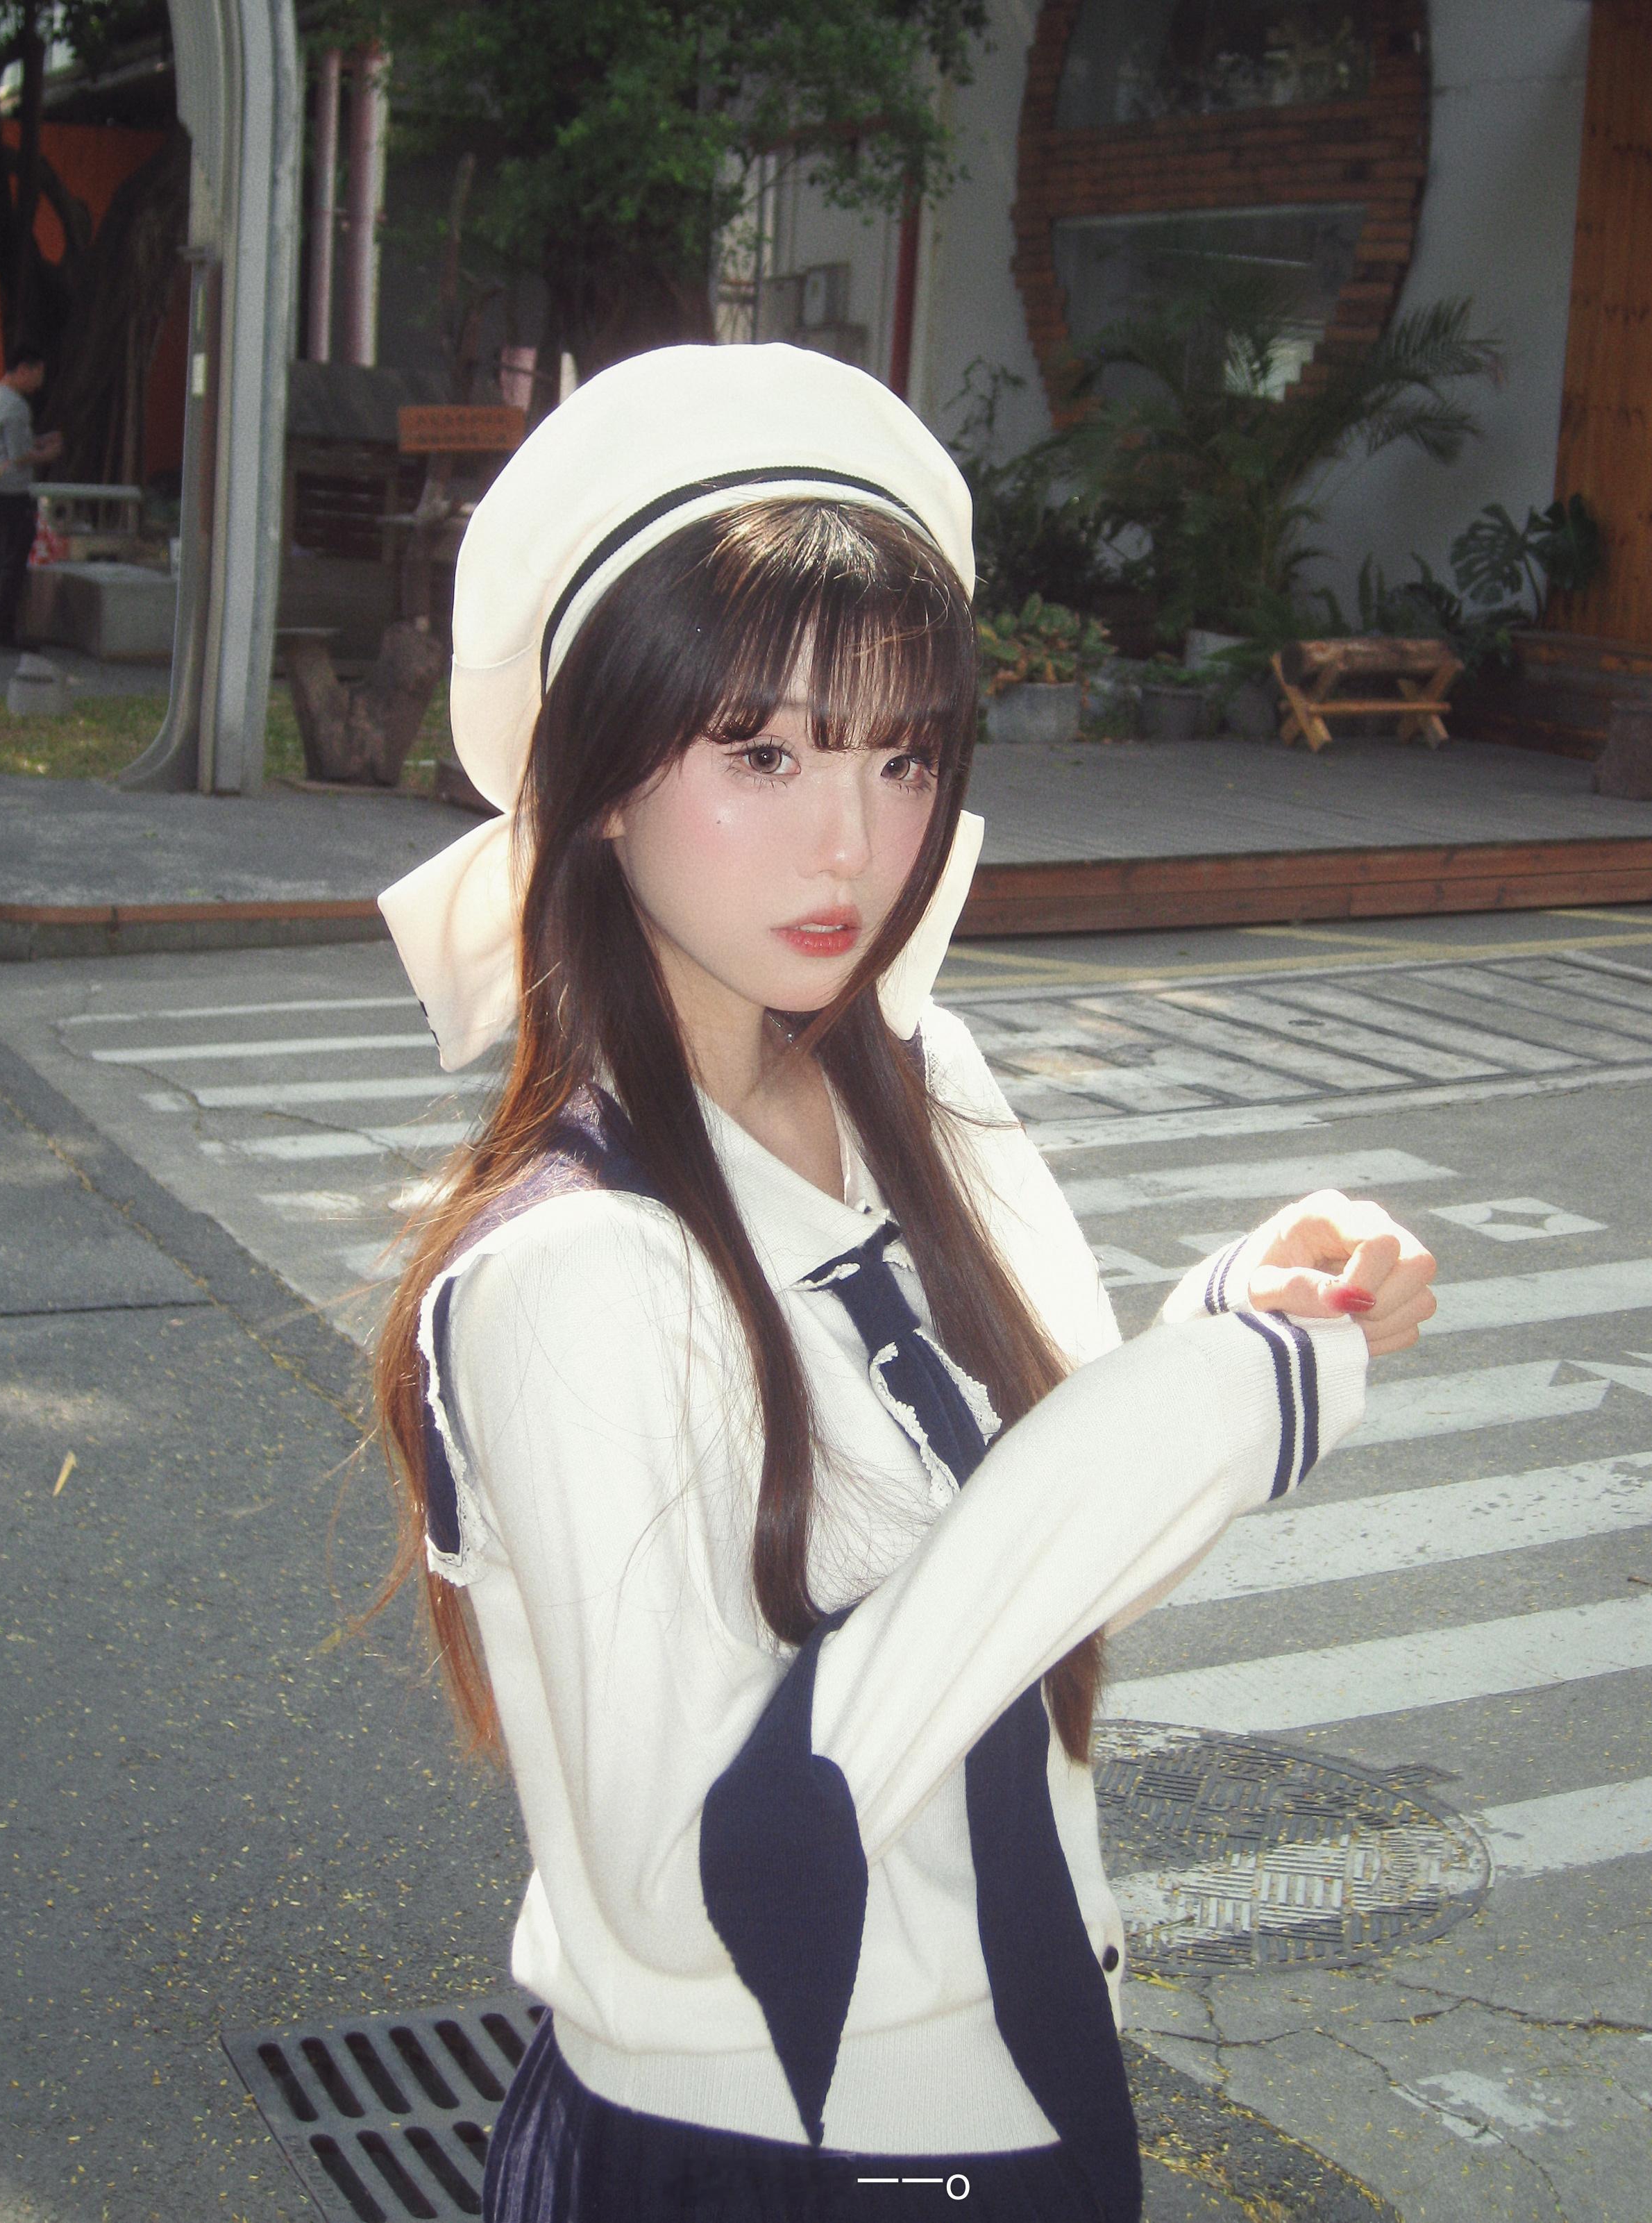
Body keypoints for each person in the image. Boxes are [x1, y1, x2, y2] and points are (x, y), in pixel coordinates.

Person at [369, 344, 1437, 2222]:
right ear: (598, 780)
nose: (853, 843)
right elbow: (705, 1881)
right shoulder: (573, 1271)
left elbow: (1040, 1569)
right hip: (771, 2155)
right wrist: (1198, 1412)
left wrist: (1232, 1331)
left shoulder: (921, 1080)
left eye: (902, 754)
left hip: (1038, 2072)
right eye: (762, 753)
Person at [0, 344, 60, 649]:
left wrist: (38, 441)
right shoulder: (16, 406)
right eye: (38, 373)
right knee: (13, 563)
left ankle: (1, 629)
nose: (40, 382)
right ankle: (4, 632)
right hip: (13, 492)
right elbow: (18, 455)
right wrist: (48, 454)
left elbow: (2, 444)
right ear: (23, 370)